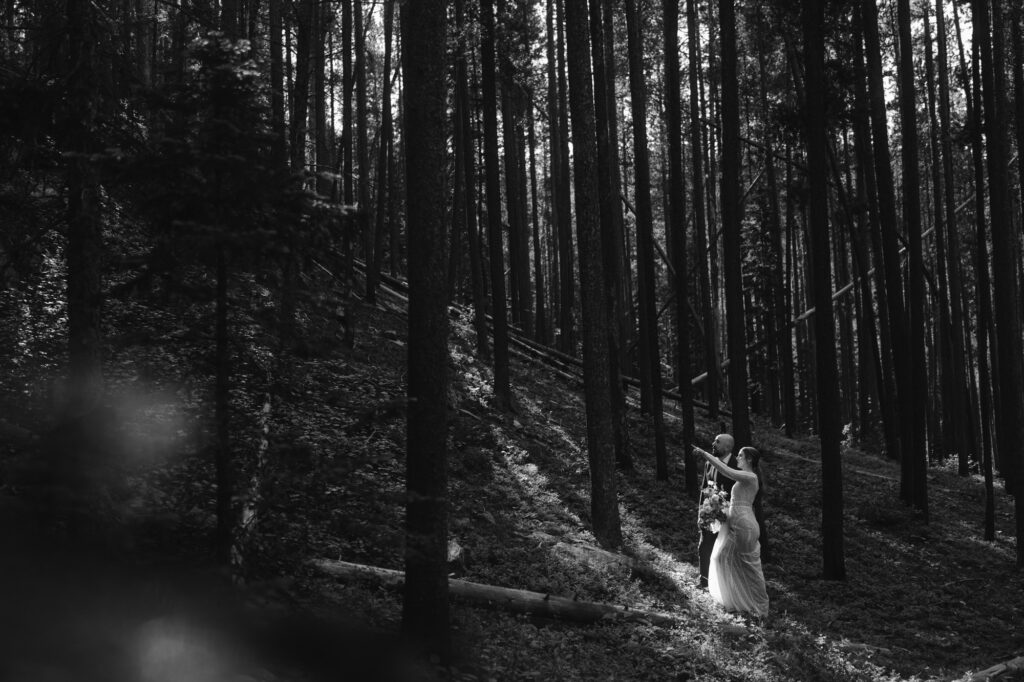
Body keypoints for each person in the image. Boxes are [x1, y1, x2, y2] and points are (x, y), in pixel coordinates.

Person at [695, 445, 770, 617]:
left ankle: (760, 607)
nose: (737, 457)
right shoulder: (747, 477)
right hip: (737, 521)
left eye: (741, 456)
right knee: (722, 558)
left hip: (745, 524)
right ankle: (738, 602)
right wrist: (720, 509)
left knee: (748, 565)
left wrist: (705, 454)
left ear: (749, 459)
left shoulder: (751, 476)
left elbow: (727, 471)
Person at [695, 434, 736, 590]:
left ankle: (724, 586)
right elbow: (705, 488)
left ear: (727, 447)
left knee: (725, 552)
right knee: (704, 546)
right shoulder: (709, 463)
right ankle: (704, 581)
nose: (713, 443)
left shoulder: (736, 464)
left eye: (717, 442)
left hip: (730, 516)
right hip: (710, 514)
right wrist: (701, 512)